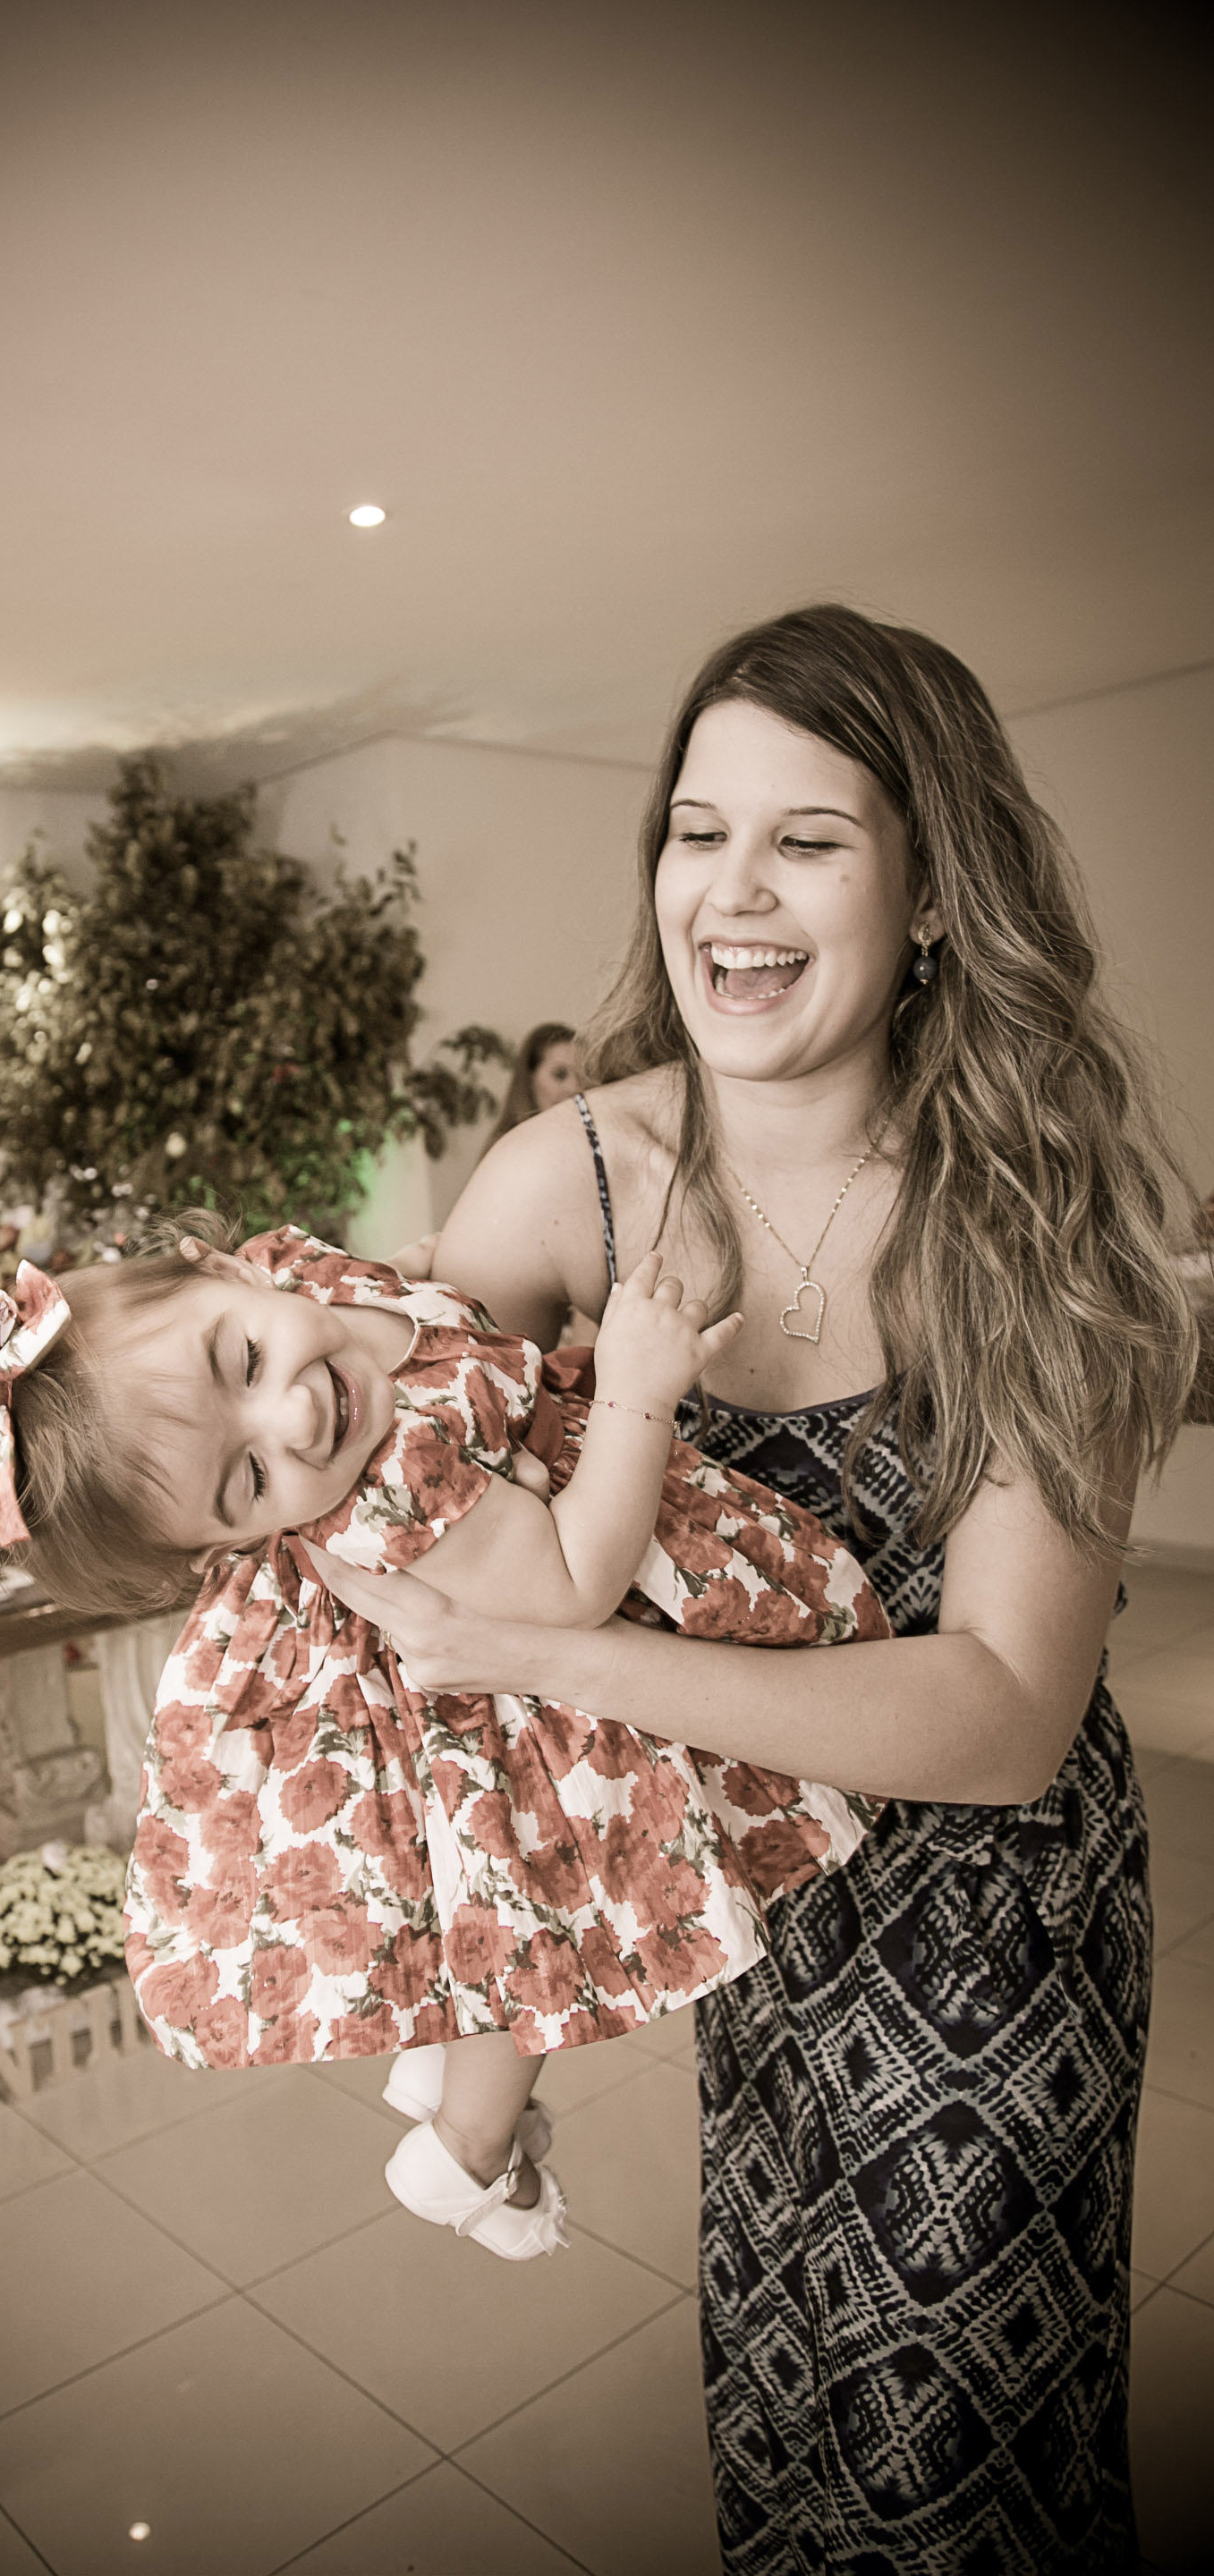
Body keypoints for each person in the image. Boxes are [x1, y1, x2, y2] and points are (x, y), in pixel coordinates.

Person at [305, 604, 1196, 2571]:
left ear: (936, 891)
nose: (734, 892)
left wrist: (556, 1649)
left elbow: (1002, 1715)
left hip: (995, 1925)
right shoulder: (567, 1184)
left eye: (809, 840)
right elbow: (386, 1523)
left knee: (944, 2482)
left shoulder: (1042, 1211)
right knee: (784, 2428)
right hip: (744, 1928)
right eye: (699, 833)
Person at [0, 1229, 888, 2259]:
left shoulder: (311, 1278)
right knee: (538, 1903)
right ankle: (468, 2147)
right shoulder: (393, 1496)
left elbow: (416, 1304)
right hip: (524, 1682)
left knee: (487, 1909)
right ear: (231, 1541)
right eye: (249, 1478)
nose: (295, 1419)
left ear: (232, 1270)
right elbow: (574, 1580)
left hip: (456, 1662)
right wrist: (637, 1391)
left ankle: (453, 2070)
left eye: (244, 1358)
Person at [483, 1019, 580, 1151]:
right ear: (529, 1078)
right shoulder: (508, 1149)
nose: (574, 1088)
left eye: (582, 1077)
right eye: (559, 1074)